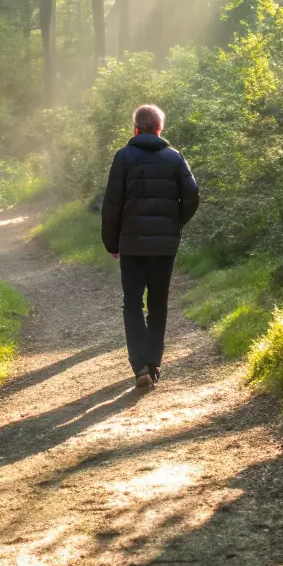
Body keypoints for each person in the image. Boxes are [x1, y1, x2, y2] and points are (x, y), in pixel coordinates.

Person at [100, 103, 200, 390]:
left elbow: (111, 205)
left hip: (131, 245)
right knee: (158, 304)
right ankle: (154, 363)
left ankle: (139, 365)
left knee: (132, 302)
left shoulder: (123, 158)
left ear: (135, 129)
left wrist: (111, 241)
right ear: (160, 129)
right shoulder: (174, 158)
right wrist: (174, 223)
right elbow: (192, 196)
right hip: (164, 247)